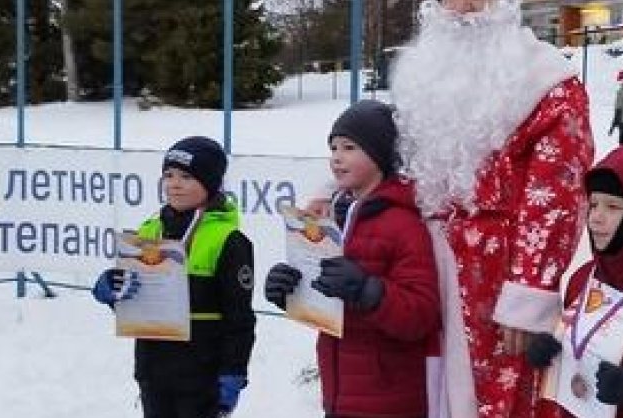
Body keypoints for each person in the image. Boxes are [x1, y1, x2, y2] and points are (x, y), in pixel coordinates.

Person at [386, 0, 595, 417]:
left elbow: (556, 199)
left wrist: (528, 295)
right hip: (423, 273)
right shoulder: (422, 80)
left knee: (496, 402)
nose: (460, 6)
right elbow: (394, 168)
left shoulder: (546, 84)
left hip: (499, 283)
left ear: (504, 0)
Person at [265, 100, 441, 418]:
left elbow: (421, 315)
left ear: (380, 154)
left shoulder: (403, 223)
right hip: (340, 394)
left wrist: (367, 291)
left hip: (390, 400)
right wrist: (291, 290)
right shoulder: (331, 218)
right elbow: (328, 305)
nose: (336, 157)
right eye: (333, 147)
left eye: (349, 147)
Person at [91, 136, 255, 418]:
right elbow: (139, 300)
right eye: (168, 175)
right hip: (153, 370)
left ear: (210, 183)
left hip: (202, 374)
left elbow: (239, 317)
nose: (174, 184)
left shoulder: (229, 239)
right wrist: (113, 289)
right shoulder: (150, 229)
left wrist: (233, 372)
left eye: (186, 177)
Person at [526, 143, 623, 417]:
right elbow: (578, 337)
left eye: (612, 206)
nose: (595, 218)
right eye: (593, 204)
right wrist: (550, 349)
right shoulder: (585, 278)